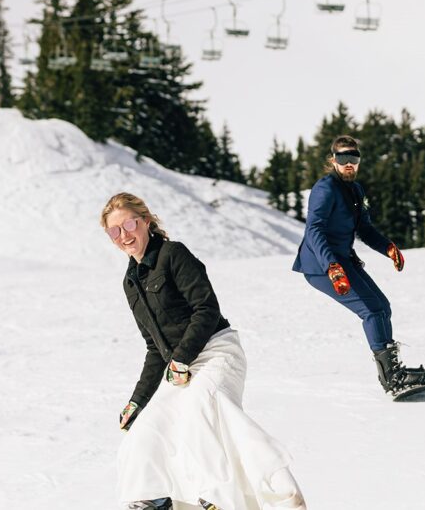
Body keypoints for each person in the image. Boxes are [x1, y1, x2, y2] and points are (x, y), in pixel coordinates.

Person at [102, 193, 307, 510]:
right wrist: (137, 401)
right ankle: (154, 501)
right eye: (114, 231)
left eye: (129, 224)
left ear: (145, 221)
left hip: (217, 350)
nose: (124, 235)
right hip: (179, 367)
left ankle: (233, 498)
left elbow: (206, 309)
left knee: (202, 411)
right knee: (145, 430)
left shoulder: (173, 254)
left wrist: (182, 357)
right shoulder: (131, 283)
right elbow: (154, 349)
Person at [292, 135, 425, 398]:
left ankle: (393, 370)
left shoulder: (356, 190)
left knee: (383, 307)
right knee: (372, 311)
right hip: (321, 265)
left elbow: (364, 228)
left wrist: (388, 247)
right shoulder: (325, 189)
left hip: (343, 260)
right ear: (333, 159)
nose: (348, 164)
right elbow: (315, 230)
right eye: (343, 158)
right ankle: (392, 379)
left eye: (353, 158)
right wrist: (332, 267)